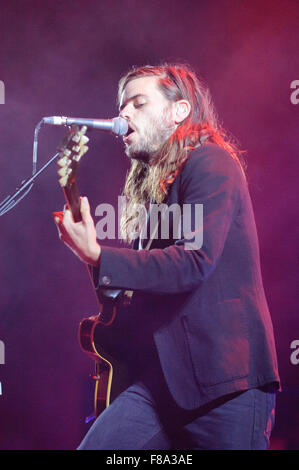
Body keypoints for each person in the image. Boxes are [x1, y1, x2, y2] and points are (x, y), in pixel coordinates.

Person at [54, 63, 280, 450]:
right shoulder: (154, 190)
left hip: (223, 385)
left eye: (138, 104)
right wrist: (92, 257)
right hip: (158, 385)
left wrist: (98, 255)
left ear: (179, 111)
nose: (123, 115)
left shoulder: (211, 163)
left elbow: (194, 263)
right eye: (122, 106)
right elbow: (140, 293)